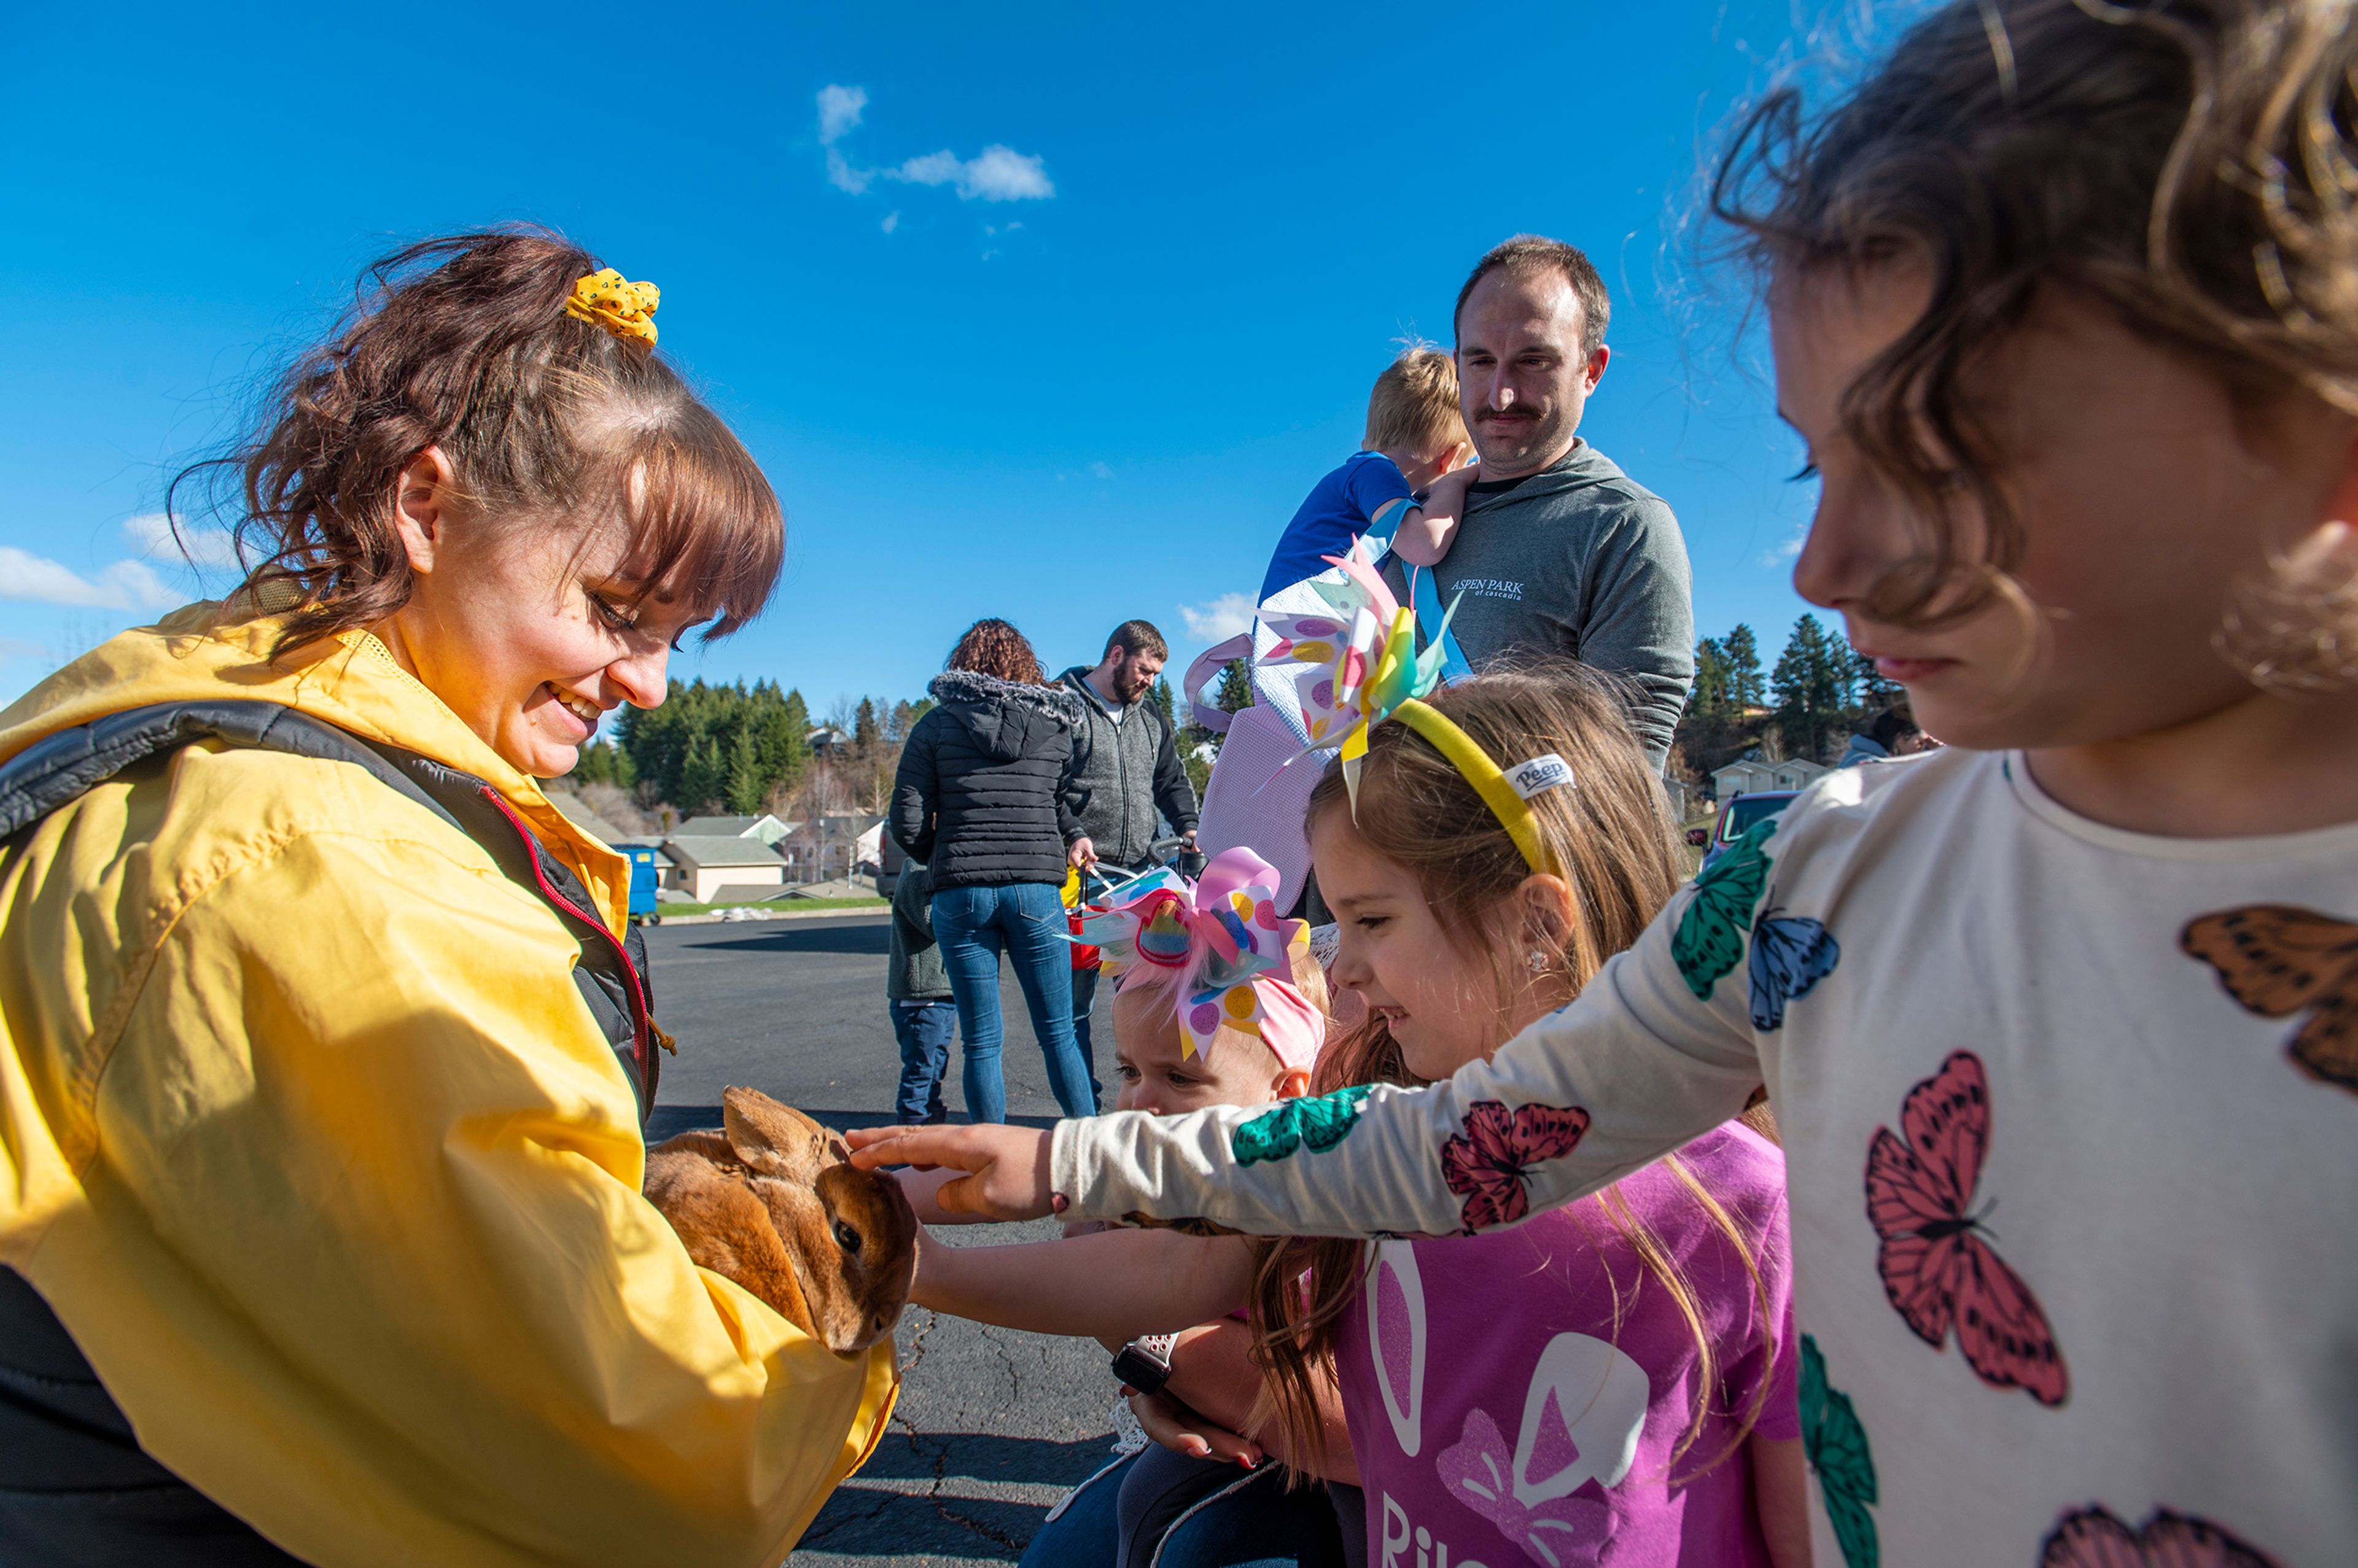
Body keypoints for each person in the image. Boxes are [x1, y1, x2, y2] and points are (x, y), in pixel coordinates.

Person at [851, 4, 2358, 1562]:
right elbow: (1456, 1139)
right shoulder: (1820, 879)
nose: (1829, 564)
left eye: (1932, 456)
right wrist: (1061, 1159)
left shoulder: (1642, 589)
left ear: (2304, 423)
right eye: (1813, 464)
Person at [0, 230, 896, 1566]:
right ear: (426, 508)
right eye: (615, 609)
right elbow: (665, 1463)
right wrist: (841, 1294)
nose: (646, 680)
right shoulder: (335, 872)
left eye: (673, 637)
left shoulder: (219, 713)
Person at [911, 675, 1807, 1567]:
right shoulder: (1382, 1145)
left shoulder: (1749, 1215)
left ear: (1537, 923)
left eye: (1371, 920)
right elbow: (1177, 1263)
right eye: (1338, 924)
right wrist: (921, 1266)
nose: (1343, 976)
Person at [901, 850, 1351, 1568]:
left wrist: (919, 1266)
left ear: (1287, 1095)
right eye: (1128, 1071)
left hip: (1295, 1465)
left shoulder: (1289, 1200)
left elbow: (1107, 1276)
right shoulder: (1159, 1161)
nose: (1140, 1100)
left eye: (1180, 1075)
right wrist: (870, 1192)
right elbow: (1001, 1176)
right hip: (1206, 1439)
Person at [1379, 236, 1695, 771]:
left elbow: (1620, 783)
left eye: (1532, 360)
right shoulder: (1404, 514)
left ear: (1591, 369)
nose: (1501, 394)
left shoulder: (1624, 528)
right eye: (1480, 361)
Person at [892, 618, 1099, 1120]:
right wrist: (1069, 836)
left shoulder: (935, 725)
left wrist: (937, 855)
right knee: (1058, 1033)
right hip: (1036, 891)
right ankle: (1094, 1149)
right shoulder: (1054, 726)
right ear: (1028, 664)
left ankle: (991, 1162)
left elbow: (905, 818)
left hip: (961, 895)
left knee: (982, 1042)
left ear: (962, 664)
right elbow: (1057, 800)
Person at [1057, 619, 1202, 1077]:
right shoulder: (1063, 708)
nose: (1149, 681)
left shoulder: (1150, 717)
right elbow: (1046, 787)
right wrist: (1071, 833)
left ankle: (1143, 1092)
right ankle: (1082, 1107)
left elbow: (1170, 780)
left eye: (1157, 674)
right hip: (1081, 880)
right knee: (1074, 1004)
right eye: (1145, 669)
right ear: (1116, 655)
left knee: (1144, 996)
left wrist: (1190, 824)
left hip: (1139, 880)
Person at [1258, 346, 1477, 604]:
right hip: (1302, 636)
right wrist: (1457, 481)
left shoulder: (1362, 475)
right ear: (1450, 460)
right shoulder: (1375, 471)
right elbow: (1425, 546)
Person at [887, 856, 957, 1124]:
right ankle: (913, 1150)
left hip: (941, 993)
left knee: (935, 1071)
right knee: (920, 1074)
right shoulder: (918, 868)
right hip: (920, 997)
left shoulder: (934, 866)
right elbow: (931, 923)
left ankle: (931, 1146)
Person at [1838, 704, 1925, 767]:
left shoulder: (1861, 758)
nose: (1923, 749)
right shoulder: (1870, 766)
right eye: (1920, 743)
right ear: (1900, 736)